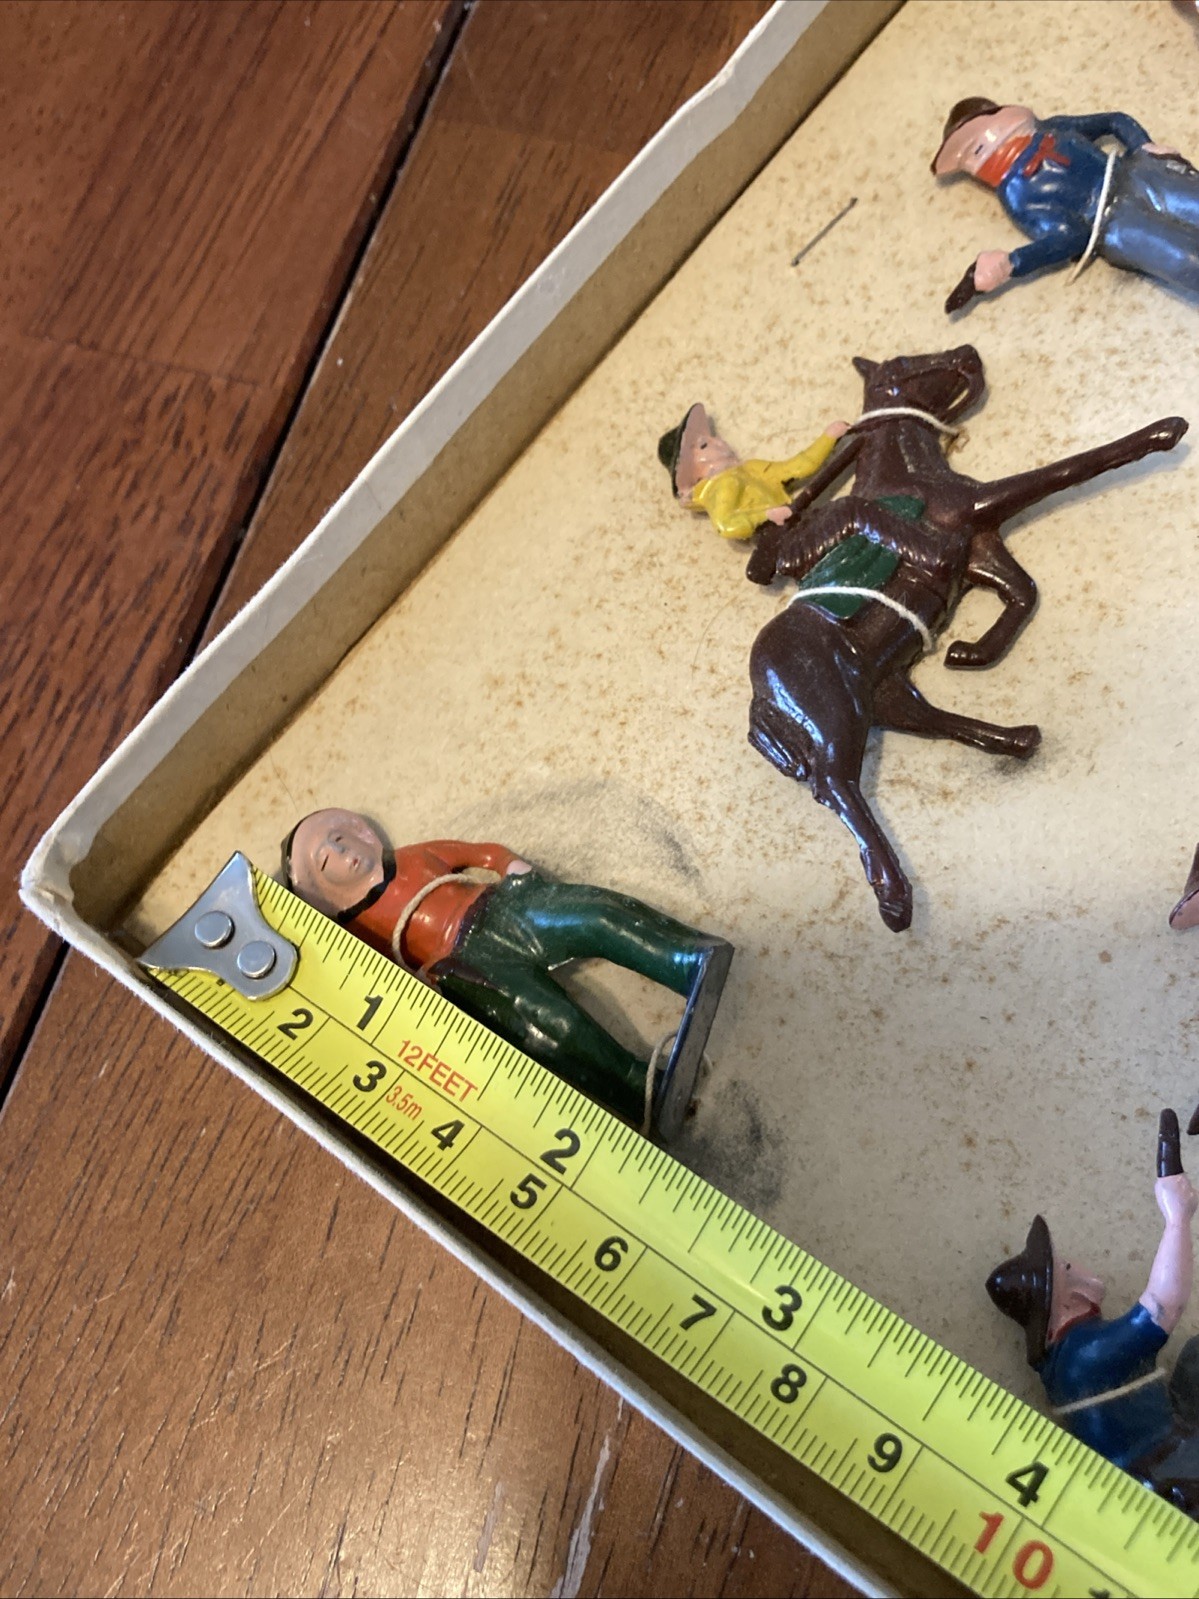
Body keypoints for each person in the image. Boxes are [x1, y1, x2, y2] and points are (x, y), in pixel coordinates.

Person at [282, 808, 732, 1141]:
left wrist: (508, 865)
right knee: (546, 1022)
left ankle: (684, 958)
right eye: (326, 860)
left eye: (340, 838)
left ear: (360, 832)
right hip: (463, 964)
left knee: (595, 915)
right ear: (325, 893)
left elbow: (476, 853)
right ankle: (640, 1089)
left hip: (500, 907)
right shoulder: (361, 932)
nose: (342, 853)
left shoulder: (415, 857)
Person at [987, 1124, 1199, 1517]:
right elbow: (1164, 1305)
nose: (1079, 1268)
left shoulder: (1065, 1361)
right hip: (1165, 1475)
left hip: (1164, 1444)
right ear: (1065, 1299)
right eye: (1068, 1268)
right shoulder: (1086, 1356)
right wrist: (1177, 1217)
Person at [932, 97, 1199, 303]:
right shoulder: (1017, 195)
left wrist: (1142, 144)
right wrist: (1014, 262)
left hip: (1136, 173)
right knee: (1185, 260)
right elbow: (1071, 235)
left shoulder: (1053, 129)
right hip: (1115, 227)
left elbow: (1112, 121)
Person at [658, 403, 847, 541]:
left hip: (798, 519)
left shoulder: (751, 468)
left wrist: (828, 438)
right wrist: (767, 516)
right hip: (779, 537)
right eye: (704, 445)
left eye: (713, 438)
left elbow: (794, 468)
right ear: (692, 470)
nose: (719, 442)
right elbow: (726, 525)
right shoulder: (721, 487)